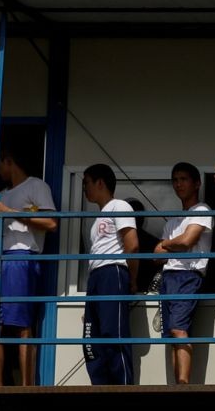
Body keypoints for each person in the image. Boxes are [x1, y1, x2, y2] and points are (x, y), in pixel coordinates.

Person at [0, 144, 58, 386]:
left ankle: (27, 385)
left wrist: (9, 211)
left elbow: (50, 223)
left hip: (21, 257)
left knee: (21, 323)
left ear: (8, 161)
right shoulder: (2, 194)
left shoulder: (36, 185)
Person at [153, 162, 212, 385]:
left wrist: (167, 244)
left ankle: (183, 383)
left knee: (179, 329)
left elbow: (188, 240)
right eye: (175, 180)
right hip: (169, 277)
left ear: (197, 183)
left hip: (188, 275)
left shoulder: (202, 210)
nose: (178, 184)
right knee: (170, 335)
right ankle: (175, 385)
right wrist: (171, 245)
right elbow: (156, 255)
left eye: (183, 179)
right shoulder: (173, 220)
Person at [81, 164, 138, 385]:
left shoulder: (119, 205)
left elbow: (132, 245)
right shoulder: (97, 219)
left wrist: (131, 280)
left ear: (100, 183)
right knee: (90, 338)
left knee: (112, 333)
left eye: (86, 182)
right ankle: (100, 387)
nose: (84, 188)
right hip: (95, 277)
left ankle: (121, 387)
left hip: (112, 271)